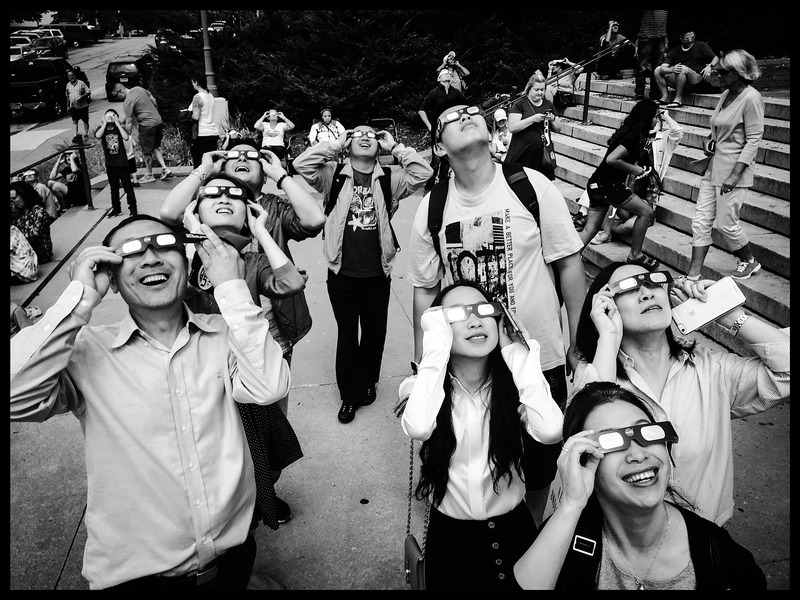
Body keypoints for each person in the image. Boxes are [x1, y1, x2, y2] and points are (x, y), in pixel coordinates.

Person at [10, 215, 291, 589]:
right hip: (138, 579)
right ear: (110, 278)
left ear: (188, 264)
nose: (151, 257)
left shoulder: (225, 334)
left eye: (163, 245)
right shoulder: (86, 351)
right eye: (130, 251)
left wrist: (231, 285)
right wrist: (78, 301)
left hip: (233, 560)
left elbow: (269, 386)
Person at [407, 103, 586, 524]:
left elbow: (569, 264)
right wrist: (422, 367)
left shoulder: (531, 187)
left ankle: (530, 531)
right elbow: (425, 292)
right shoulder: (431, 209)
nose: (465, 115)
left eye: (471, 110)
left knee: (541, 461)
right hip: (472, 368)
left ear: (491, 133)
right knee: (481, 465)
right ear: (437, 146)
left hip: (537, 358)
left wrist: (577, 340)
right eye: (450, 117)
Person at [160, 140, 325, 517]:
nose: (243, 160)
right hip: (203, 350)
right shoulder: (188, 237)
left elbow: (312, 225)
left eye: (252, 156)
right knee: (215, 431)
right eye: (234, 155)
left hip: (268, 335)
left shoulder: (269, 211)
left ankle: (262, 491)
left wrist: (277, 182)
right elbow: (170, 216)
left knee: (268, 421)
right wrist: (202, 175)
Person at [570, 260, 789, 526]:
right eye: (629, 287)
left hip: (707, 544)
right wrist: (607, 336)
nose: (647, 292)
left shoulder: (711, 370)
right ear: (605, 304)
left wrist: (725, 312)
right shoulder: (598, 373)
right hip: (625, 542)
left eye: (654, 281)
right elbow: (583, 444)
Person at [514, 382, 767, 590]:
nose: (637, 454)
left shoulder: (722, 557)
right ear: (584, 461)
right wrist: (571, 504)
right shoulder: (563, 541)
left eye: (646, 432)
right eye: (612, 440)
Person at [399, 281, 563, 590]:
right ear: (439, 325)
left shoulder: (519, 385)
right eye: (458, 313)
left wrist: (517, 351)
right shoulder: (423, 386)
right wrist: (433, 348)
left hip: (515, 529)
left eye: (484, 310)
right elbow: (419, 426)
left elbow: (551, 430)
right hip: (450, 536)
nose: (475, 320)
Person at [179, 173, 305, 531]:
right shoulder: (177, 257)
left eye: (235, 196)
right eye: (213, 194)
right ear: (195, 210)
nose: (225, 198)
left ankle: (262, 497)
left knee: (263, 446)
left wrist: (261, 230)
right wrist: (193, 237)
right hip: (199, 373)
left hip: (251, 370)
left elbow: (291, 283)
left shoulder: (252, 260)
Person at [293, 123, 433, 424]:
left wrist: (395, 147)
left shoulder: (389, 179)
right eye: (359, 134)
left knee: (373, 334)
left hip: (376, 273)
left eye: (372, 135)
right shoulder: (333, 174)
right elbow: (300, 164)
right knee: (347, 336)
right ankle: (349, 396)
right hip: (341, 273)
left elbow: (424, 173)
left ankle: (369, 380)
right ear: (348, 143)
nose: (366, 137)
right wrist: (335, 145)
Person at [685, 49, 765, 281]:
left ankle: (749, 260)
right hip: (713, 168)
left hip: (734, 172)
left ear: (740, 73)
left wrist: (735, 175)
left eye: (722, 72)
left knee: (726, 224)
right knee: (700, 222)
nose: (716, 76)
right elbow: (718, 128)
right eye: (717, 71)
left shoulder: (751, 98)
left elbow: (754, 139)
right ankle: (693, 275)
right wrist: (710, 141)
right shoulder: (726, 94)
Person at [578, 99, 661, 269]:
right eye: (656, 116)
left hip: (596, 184)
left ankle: (569, 257)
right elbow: (612, 159)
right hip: (608, 185)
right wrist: (634, 169)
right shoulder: (633, 138)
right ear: (647, 117)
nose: (657, 120)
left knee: (590, 229)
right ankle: (635, 255)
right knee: (646, 212)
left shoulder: (630, 132)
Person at [589, 107, 683, 245]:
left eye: (658, 119)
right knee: (613, 194)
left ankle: (614, 231)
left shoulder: (663, 140)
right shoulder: (635, 138)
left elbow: (678, 132)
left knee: (629, 225)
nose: (655, 122)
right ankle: (606, 232)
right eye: (654, 118)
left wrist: (665, 115)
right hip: (627, 187)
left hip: (646, 194)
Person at [112, 81, 172, 183]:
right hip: (158, 121)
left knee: (146, 151)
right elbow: (154, 100)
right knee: (155, 147)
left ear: (120, 90)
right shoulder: (138, 88)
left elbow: (129, 123)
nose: (117, 98)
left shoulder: (127, 101)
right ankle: (165, 168)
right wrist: (154, 113)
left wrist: (126, 135)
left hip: (147, 125)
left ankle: (149, 175)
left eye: (116, 96)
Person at [506, 70, 561, 180]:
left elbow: (559, 128)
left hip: (543, 155)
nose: (540, 93)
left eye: (542, 90)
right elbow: (512, 127)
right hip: (522, 154)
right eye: (536, 90)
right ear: (529, 89)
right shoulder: (520, 104)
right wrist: (532, 119)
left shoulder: (548, 104)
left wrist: (552, 118)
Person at [418, 68, 467, 190]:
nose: (447, 75)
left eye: (448, 74)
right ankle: (429, 188)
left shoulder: (455, 92)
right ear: (439, 78)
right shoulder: (434, 93)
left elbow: (465, 106)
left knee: (447, 160)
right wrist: (430, 126)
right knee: (436, 161)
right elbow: (421, 110)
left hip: (450, 131)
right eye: (443, 74)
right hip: (437, 132)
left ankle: (442, 187)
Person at [654, 29, 719, 108]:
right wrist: (672, 69)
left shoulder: (701, 45)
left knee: (681, 68)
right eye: (687, 39)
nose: (690, 40)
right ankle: (665, 97)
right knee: (657, 70)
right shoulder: (676, 50)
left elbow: (716, 58)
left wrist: (710, 66)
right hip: (680, 79)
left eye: (692, 37)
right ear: (681, 38)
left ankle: (678, 99)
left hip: (696, 78)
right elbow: (663, 67)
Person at [95, 108, 138, 218]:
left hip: (122, 163)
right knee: (113, 188)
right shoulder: (102, 129)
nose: (110, 116)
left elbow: (125, 137)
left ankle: (133, 209)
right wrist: (104, 123)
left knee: (128, 187)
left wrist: (118, 124)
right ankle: (116, 208)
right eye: (108, 115)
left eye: (113, 115)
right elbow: (98, 135)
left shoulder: (119, 129)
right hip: (110, 164)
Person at [11, 180, 53, 264]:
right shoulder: (18, 213)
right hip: (23, 251)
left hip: (40, 253)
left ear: (24, 195)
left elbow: (33, 236)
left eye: (14, 198)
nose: (13, 202)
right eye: (11, 200)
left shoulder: (38, 211)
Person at [634, 10, 668, 101]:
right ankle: (639, 94)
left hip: (661, 36)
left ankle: (655, 93)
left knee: (657, 68)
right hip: (646, 35)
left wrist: (665, 38)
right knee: (642, 67)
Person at [188, 76, 221, 169]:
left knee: (199, 163)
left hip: (201, 134)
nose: (192, 85)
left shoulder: (197, 97)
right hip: (213, 132)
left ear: (196, 82)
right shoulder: (210, 95)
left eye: (193, 82)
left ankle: (200, 183)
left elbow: (196, 116)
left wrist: (186, 114)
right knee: (211, 163)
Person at [65, 68, 91, 144]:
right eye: (69, 76)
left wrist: (82, 97)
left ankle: (86, 134)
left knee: (85, 120)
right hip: (73, 106)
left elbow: (88, 91)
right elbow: (67, 96)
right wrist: (67, 106)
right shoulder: (68, 85)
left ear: (75, 75)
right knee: (74, 121)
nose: (71, 77)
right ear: (68, 77)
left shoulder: (81, 83)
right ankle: (75, 135)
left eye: (72, 75)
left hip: (83, 106)